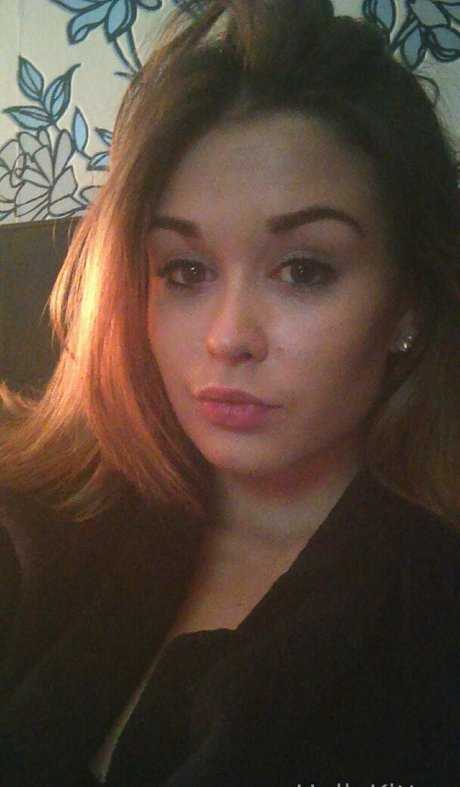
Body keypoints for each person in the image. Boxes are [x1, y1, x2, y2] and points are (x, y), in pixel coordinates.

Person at [0, 0, 459, 785]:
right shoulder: (32, 523)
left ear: (407, 306)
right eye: (185, 270)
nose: (227, 337)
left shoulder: (433, 624)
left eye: (303, 270)